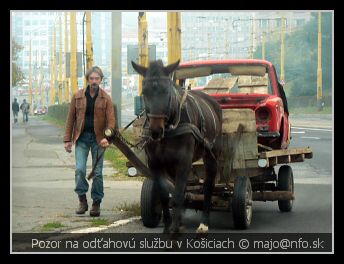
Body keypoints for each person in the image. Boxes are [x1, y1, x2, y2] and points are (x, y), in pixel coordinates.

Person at [64, 66, 116, 217]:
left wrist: (108, 137)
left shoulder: (106, 98)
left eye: (97, 79)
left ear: (100, 80)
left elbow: (111, 122)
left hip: (99, 140)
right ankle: (82, 200)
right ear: (87, 80)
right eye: (91, 78)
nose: (94, 81)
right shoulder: (78, 96)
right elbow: (70, 119)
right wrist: (67, 139)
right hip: (81, 138)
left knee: (98, 173)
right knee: (80, 170)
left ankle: (96, 204)